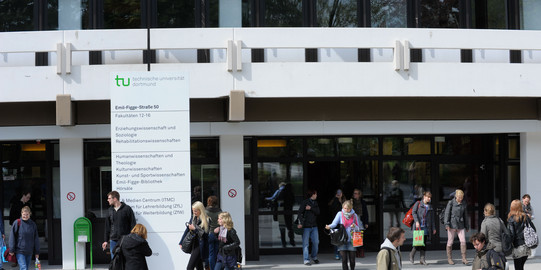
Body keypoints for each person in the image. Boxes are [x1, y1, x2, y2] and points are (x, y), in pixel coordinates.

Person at [325, 200, 361, 270]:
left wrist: (354, 226)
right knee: (344, 260)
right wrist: (329, 226)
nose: (346, 210)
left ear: (351, 208)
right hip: (342, 239)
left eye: (348, 208)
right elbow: (334, 224)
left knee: (352, 260)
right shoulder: (340, 214)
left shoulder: (354, 215)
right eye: (345, 208)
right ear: (342, 208)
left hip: (352, 240)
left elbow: (358, 228)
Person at [102, 191, 136, 259]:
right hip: (113, 240)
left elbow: (133, 224)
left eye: (109, 198)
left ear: (114, 199)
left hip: (125, 240)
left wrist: (132, 238)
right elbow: (107, 226)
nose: (107, 200)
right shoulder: (109, 210)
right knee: (114, 261)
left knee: (126, 259)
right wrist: (106, 241)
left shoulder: (127, 209)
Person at [180, 201, 211, 270]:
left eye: (196, 211)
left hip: (200, 246)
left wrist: (195, 229)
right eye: (193, 211)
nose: (194, 212)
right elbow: (187, 230)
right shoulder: (193, 218)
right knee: (199, 267)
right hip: (193, 244)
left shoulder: (206, 220)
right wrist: (181, 242)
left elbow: (205, 235)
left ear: (200, 210)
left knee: (189, 268)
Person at [443, 189, 469, 265]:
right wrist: (446, 224)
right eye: (459, 197)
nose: (461, 199)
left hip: (460, 224)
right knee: (450, 242)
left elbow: (465, 216)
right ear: (456, 196)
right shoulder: (451, 203)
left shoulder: (463, 204)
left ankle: (464, 258)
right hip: (452, 224)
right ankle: (449, 258)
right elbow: (447, 214)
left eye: (462, 197)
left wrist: (467, 226)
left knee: (463, 241)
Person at [266, 182, 295, 248]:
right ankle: (292, 240)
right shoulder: (291, 193)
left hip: (281, 212)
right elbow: (293, 202)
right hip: (289, 212)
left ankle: (283, 243)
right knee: (290, 227)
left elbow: (275, 200)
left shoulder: (280, 192)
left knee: (282, 227)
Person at [410, 191, 436, 265]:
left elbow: (432, 218)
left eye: (430, 197)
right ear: (424, 196)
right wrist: (417, 221)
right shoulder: (418, 203)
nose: (429, 199)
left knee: (423, 243)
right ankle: (411, 255)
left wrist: (433, 228)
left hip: (426, 227)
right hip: (418, 227)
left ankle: (422, 259)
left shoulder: (430, 206)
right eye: (428, 197)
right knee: (417, 243)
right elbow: (413, 212)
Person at [508, 199, 535, 270]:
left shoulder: (511, 219)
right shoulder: (526, 217)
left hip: (517, 247)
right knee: (521, 266)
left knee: (518, 267)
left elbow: (512, 234)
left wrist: (508, 245)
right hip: (527, 246)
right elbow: (533, 229)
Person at [297, 189, 320, 266]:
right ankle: (306, 260)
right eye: (315, 194)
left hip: (314, 226)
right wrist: (301, 222)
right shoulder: (305, 202)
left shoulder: (315, 203)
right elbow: (300, 212)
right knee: (306, 244)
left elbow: (318, 212)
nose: (316, 195)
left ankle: (314, 256)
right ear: (312, 194)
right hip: (306, 226)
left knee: (316, 242)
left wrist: (311, 208)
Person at [328, 189, 346, 260]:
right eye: (338, 193)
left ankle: (342, 254)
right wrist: (336, 199)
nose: (339, 194)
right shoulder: (333, 201)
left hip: (343, 223)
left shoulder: (345, 201)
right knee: (336, 239)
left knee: (342, 239)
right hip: (335, 223)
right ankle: (336, 253)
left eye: (340, 192)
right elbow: (334, 209)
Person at [206, 196, 222, 270]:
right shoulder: (219, 211)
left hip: (210, 234)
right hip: (219, 234)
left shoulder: (206, 211)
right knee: (217, 253)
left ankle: (212, 268)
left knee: (211, 254)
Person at [352, 188, 368, 258]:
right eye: (354, 193)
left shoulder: (363, 202)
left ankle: (360, 251)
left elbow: (365, 213)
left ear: (359, 194)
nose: (354, 195)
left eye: (356, 193)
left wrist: (366, 222)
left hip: (360, 220)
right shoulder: (351, 202)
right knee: (354, 236)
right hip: (353, 221)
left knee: (360, 236)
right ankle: (357, 251)